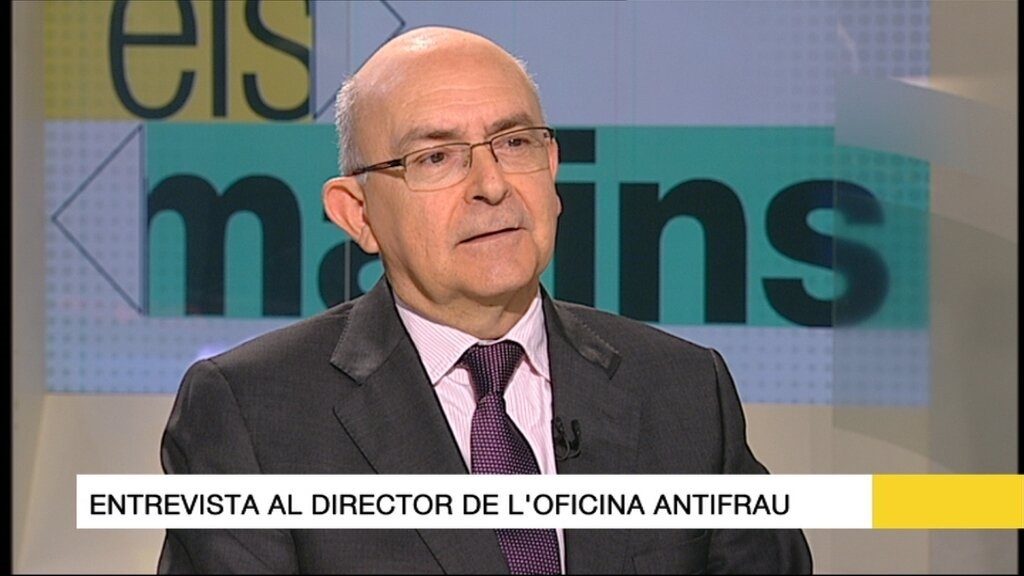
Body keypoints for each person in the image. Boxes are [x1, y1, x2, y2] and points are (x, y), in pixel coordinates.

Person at [159, 26, 813, 574]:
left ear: (551, 168)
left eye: (515, 143)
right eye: (436, 157)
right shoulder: (251, 414)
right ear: (358, 213)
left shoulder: (685, 389)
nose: (492, 185)